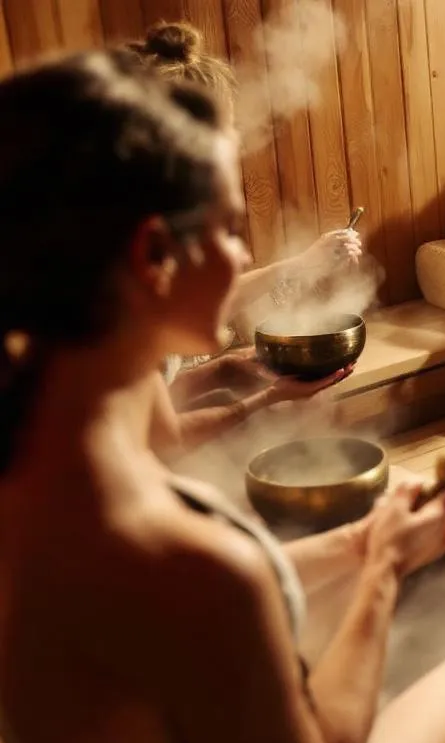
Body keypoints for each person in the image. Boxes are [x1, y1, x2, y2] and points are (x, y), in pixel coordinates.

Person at [0, 50, 445, 743]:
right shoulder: (191, 563)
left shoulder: (44, 448)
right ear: (153, 255)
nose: (244, 252)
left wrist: (362, 542)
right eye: (228, 228)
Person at [128, 21, 362, 457]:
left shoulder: (146, 241)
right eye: (227, 127)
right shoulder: (120, 274)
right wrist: (264, 400)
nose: (243, 253)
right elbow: (156, 437)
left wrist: (224, 371)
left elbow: (151, 398)